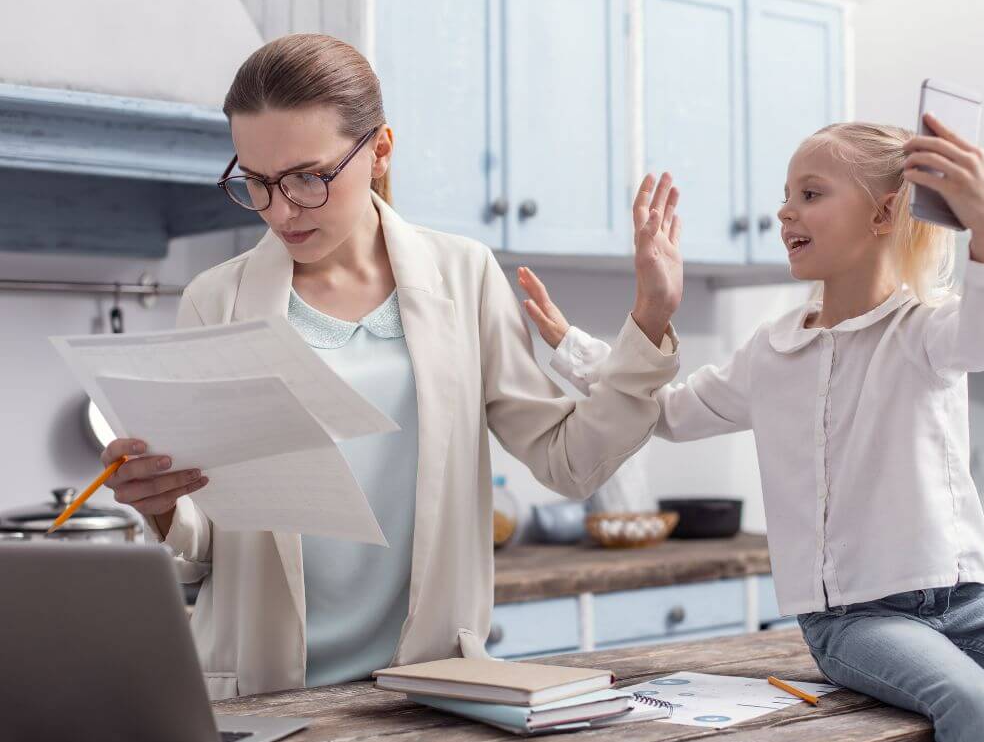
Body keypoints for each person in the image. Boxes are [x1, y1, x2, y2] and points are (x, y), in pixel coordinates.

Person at [98, 34, 684, 698]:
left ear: (379, 150)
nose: (281, 210)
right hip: (263, 696)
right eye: (257, 184)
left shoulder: (464, 276)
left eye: (307, 177)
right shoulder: (216, 300)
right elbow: (204, 549)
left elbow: (567, 460)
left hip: (428, 690)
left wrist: (650, 323)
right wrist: (166, 509)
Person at [520, 116, 984, 742]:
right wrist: (575, 344)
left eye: (811, 193)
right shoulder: (774, 352)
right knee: (975, 702)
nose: (784, 211)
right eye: (787, 194)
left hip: (968, 599)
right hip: (859, 619)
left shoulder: (925, 329)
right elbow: (668, 412)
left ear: (884, 213)